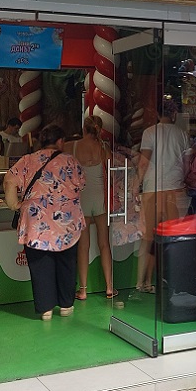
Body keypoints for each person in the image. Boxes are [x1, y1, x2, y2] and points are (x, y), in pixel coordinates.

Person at [5, 124, 86, 320]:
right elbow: (81, 184)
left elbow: (9, 181)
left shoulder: (27, 160)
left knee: (41, 265)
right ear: (60, 141)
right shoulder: (71, 161)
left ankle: (46, 308)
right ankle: (66, 305)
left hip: (36, 221)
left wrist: (14, 204)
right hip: (67, 222)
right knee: (67, 263)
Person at [133, 98, 190, 293]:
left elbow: (144, 162)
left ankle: (140, 282)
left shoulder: (150, 132)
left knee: (148, 238)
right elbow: (187, 164)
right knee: (173, 238)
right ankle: (173, 280)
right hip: (175, 189)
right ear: (173, 114)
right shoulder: (182, 134)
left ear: (157, 114)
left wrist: (136, 184)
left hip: (152, 189)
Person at [71, 116, 115, 300]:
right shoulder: (104, 148)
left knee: (83, 246)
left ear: (84, 129)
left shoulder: (73, 146)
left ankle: (82, 290)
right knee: (104, 244)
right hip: (100, 199)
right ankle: (109, 287)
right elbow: (112, 172)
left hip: (82, 199)